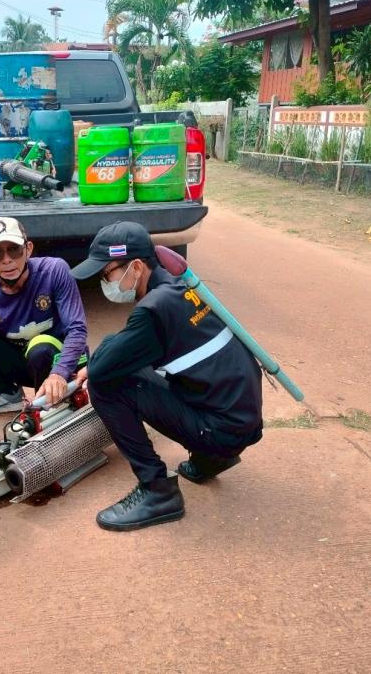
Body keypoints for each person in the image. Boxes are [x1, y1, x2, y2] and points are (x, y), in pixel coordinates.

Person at [70, 222, 263, 531]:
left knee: (105, 386)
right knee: (128, 363)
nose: (104, 282)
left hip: (223, 431)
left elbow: (101, 368)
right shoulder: (179, 286)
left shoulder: (152, 311)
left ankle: (157, 490)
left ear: (135, 267)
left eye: (106, 274)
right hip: (242, 419)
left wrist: (98, 358)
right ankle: (208, 460)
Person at [0, 216, 88, 418]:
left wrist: (60, 372)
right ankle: (5, 397)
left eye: (14, 249)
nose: (7, 259)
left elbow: (77, 328)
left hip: (64, 359)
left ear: (28, 248)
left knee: (40, 348)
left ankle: (52, 406)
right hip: (25, 361)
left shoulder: (54, 270)